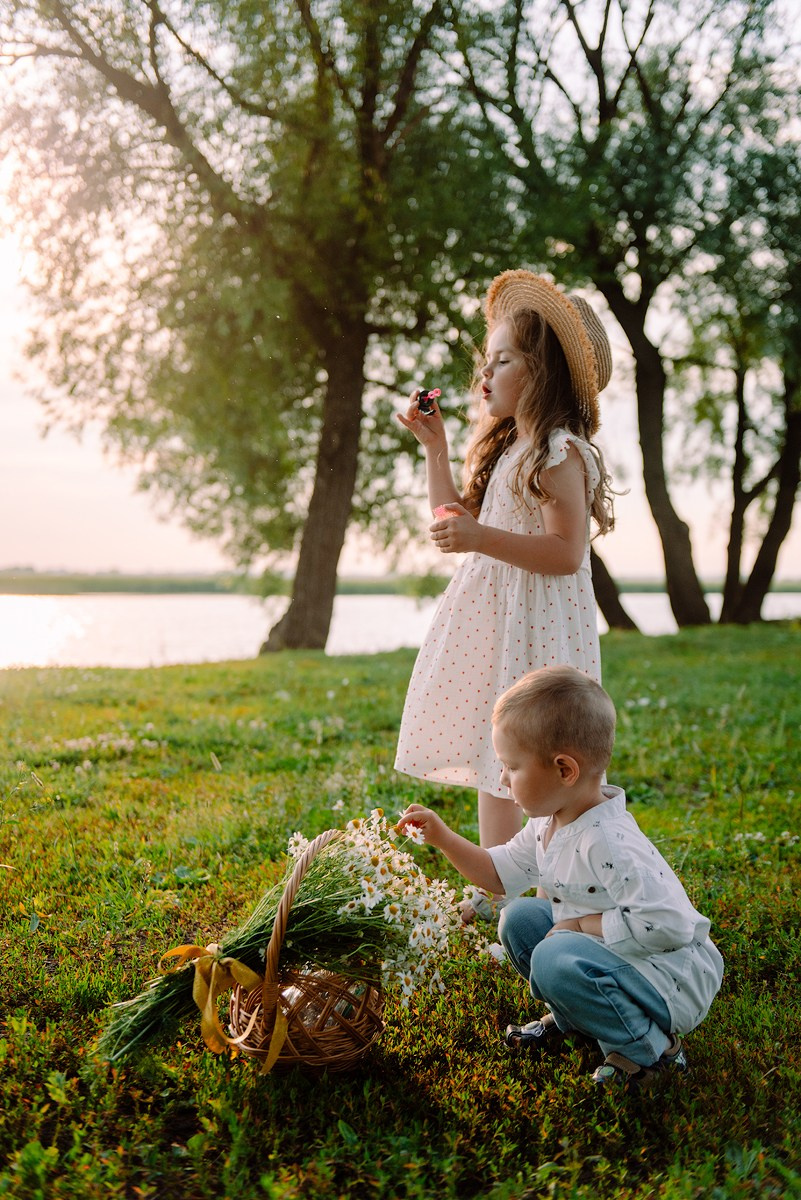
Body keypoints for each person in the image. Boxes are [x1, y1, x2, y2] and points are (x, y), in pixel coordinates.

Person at [396, 666, 724, 1092]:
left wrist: (581, 925)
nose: (502, 779)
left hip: (667, 978)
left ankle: (651, 1051)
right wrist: (442, 837)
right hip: (615, 957)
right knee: (518, 920)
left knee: (553, 955)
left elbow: (669, 926)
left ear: (565, 770)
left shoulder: (609, 842)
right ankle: (577, 1018)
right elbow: (498, 874)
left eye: (511, 767)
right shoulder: (549, 823)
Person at [394, 270, 616, 895]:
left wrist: (478, 539)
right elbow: (456, 522)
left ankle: (559, 886)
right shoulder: (510, 451)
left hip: (539, 627)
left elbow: (566, 552)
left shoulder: (558, 452)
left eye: (503, 360)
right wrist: (435, 449)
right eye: (485, 362)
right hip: (500, 624)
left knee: (542, 748)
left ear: (543, 373)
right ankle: (498, 889)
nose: (485, 375)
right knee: (499, 756)